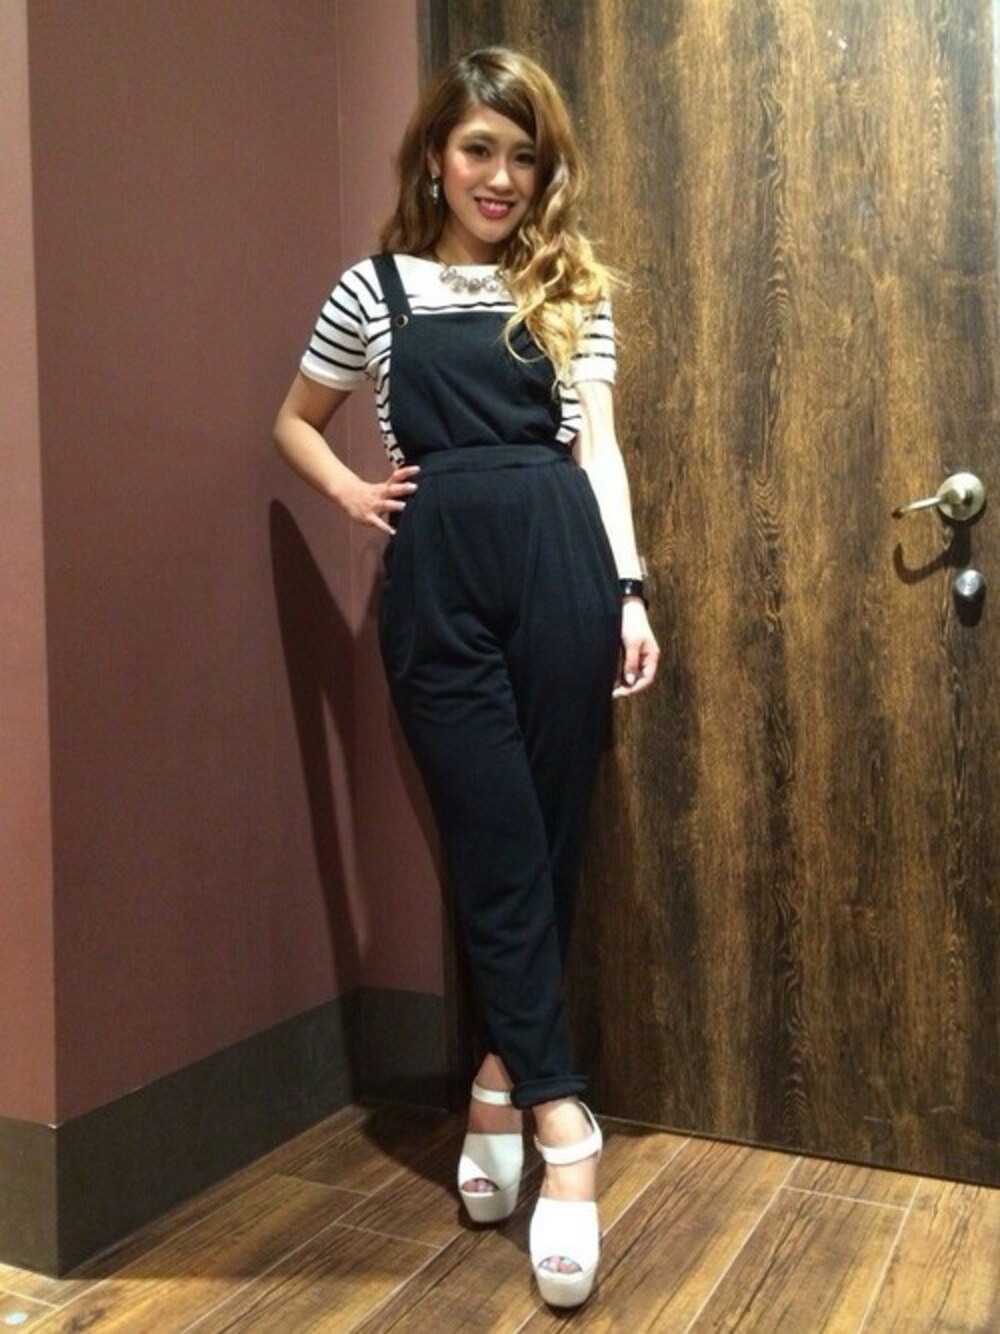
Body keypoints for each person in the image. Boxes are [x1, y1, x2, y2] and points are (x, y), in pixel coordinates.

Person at [273, 46, 658, 1309]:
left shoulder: (569, 286)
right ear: (435, 156)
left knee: (546, 838)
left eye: (523, 155)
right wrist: (349, 490)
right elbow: (292, 419)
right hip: (436, 579)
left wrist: (628, 588)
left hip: (560, 562)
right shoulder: (373, 287)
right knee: (494, 839)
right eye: (478, 149)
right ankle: (565, 1124)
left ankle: (499, 1076)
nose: (500, 176)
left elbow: (597, 450)